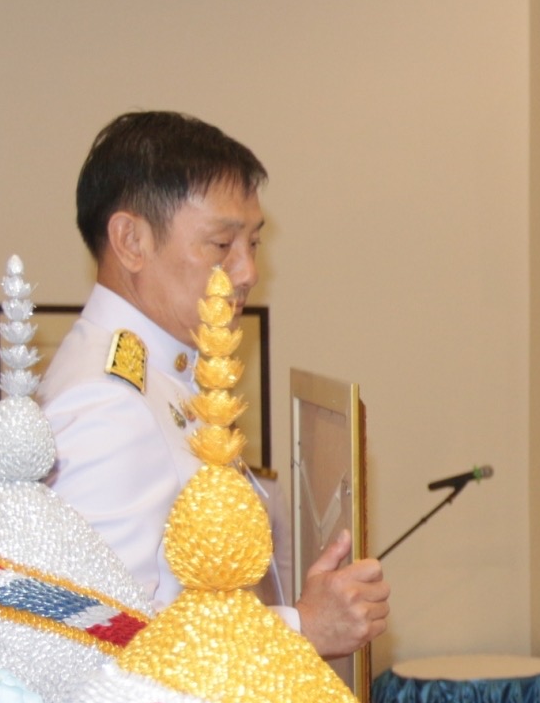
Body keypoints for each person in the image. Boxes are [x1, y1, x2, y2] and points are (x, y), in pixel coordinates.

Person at [40, 111, 384, 657]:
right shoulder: (107, 401)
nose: (246, 272)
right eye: (221, 245)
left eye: (253, 244)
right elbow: (102, 643)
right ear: (131, 240)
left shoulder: (159, 371)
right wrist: (299, 629)